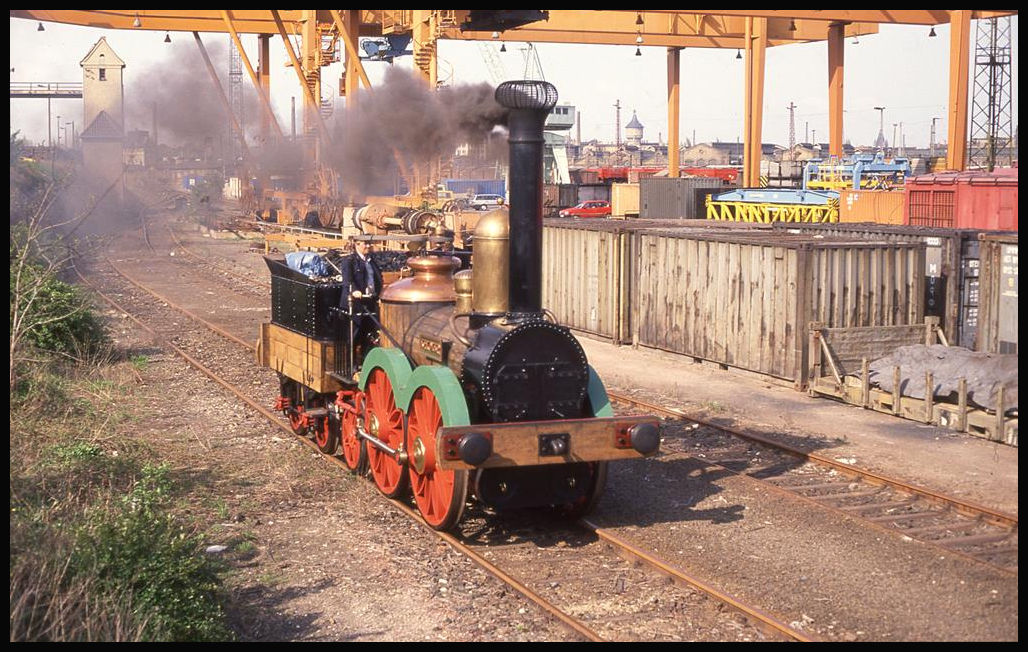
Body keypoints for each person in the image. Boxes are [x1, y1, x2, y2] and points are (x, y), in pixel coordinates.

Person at [340, 238, 383, 364]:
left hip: (369, 302)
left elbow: (377, 279)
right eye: (365, 243)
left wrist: (379, 294)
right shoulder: (349, 261)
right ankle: (350, 366)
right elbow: (347, 280)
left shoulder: (372, 261)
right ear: (357, 245)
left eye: (369, 243)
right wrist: (354, 291)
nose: (368, 246)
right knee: (354, 336)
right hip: (355, 304)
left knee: (369, 335)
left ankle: (365, 364)